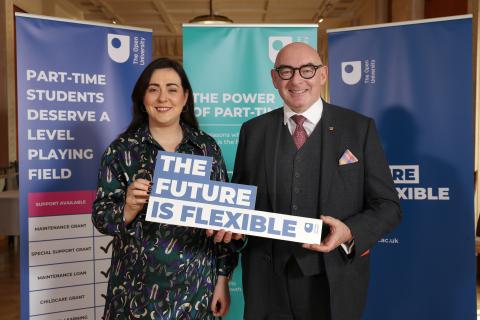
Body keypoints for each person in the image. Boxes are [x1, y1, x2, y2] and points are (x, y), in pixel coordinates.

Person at [230, 42, 402, 320]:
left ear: (323, 75)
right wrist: (232, 229)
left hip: (333, 280)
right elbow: (239, 202)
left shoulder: (359, 129)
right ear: (275, 79)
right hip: (267, 284)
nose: (297, 80)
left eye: (307, 70)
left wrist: (349, 232)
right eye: (286, 71)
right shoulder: (253, 131)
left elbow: (388, 206)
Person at [92, 58, 237, 319]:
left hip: (196, 290)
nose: (163, 97)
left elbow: (224, 217)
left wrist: (222, 280)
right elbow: (101, 219)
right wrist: (127, 208)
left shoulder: (206, 148)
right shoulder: (120, 150)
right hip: (134, 292)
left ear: (185, 98)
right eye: (153, 88)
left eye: (172, 89)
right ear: (142, 98)